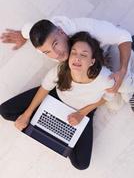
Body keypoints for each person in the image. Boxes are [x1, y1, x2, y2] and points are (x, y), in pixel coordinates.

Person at [14, 32, 115, 170]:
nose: (77, 58)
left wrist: (81, 114)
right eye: (74, 52)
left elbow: (107, 98)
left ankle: (54, 127)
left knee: (81, 164)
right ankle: (43, 118)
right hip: (57, 97)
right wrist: (27, 114)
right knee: (5, 111)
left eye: (84, 55)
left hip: (84, 110)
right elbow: (45, 87)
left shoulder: (106, 79)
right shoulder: (61, 69)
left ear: (92, 61)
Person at [0, 16, 132, 93]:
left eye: (55, 44)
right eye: (47, 52)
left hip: (107, 49)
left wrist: (123, 69)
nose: (56, 55)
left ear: (61, 32)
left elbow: (123, 36)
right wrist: (22, 35)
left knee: (121, 84)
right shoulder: (41, 45)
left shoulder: (88, 28)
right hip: (89, 61)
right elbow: (28, 28)